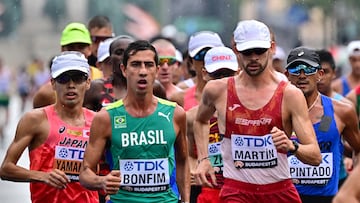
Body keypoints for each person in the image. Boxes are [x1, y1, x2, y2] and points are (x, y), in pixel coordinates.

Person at [193, 19, 321, 203]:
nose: (253, 58)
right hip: (236, 191)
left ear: (272, 48)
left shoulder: (290, 94)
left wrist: (292, 146)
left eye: (259, 51)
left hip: (279, 191)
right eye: (247, 52)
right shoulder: (217, 90)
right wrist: (203, 159)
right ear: (236, 49)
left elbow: (315, 156)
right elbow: (200, 120)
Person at [79, 40, 190, 203]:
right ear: (124, 69)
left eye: (149, 65)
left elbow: (183, 160)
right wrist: (101, 181)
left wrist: (186, 200)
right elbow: (85, 172)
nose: (143, 71)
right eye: (136, 65)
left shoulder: (176, 113)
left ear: (157, 70)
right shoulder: (106, 117)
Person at [0, 52, 99, 203]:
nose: (71, 85)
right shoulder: (35, 120)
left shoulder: (99, 121)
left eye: (78, 78)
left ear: (88, 82)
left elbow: (108, 171)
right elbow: (6, 169)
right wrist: (42, 176)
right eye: (63, 79)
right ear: (53, 83)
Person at [285, 47, 360, 203]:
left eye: (308, 69)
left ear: (319, 74)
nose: (302, 75)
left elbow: (358, 149)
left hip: (327, 198)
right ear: (287, 75)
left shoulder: (342, 111)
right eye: (296, 69)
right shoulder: (275, 112)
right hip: (287, 198)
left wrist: (353, 185)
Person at [186, 46, 238, 203]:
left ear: (238, 73)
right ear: (204, 74)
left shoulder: (253, 111)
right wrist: (197, 167)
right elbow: (188, 154)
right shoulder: (191, 117)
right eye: (216, 75)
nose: (222, 80)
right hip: (211, 191)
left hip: (243, 189)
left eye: (228, 74)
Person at [33, 22, 103, 109]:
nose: (76, 52)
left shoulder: (103, 79)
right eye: (71, 47)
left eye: (81, 47)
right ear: (62, 49)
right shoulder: (47, 93)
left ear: (90, 49)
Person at [316, 49, 354, 187]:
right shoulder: (298, 104)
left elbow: (356, 147)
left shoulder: (344, 106)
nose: (320, 78)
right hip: (304, 183)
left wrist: (336, 143)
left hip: (337, 179)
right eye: (316, 72)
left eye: (325, 72)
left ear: (334, 73)